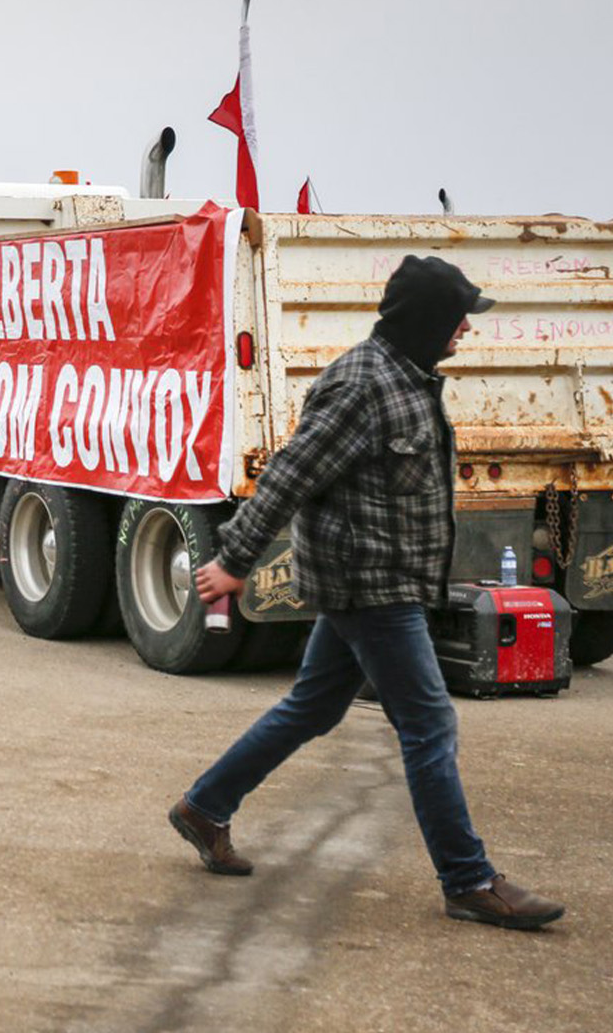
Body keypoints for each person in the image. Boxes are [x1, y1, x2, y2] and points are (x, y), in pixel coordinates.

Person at [171, 254, 564, 931]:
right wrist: (235, 559)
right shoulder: (362, 386)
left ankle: (205, 807)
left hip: (383, 578)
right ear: (427, 320)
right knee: (429, 723)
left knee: (312, 707)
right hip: (370, 586)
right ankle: (468, 880)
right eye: (457, 318)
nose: (465, 331)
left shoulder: (407, 378)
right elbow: (291, 474)